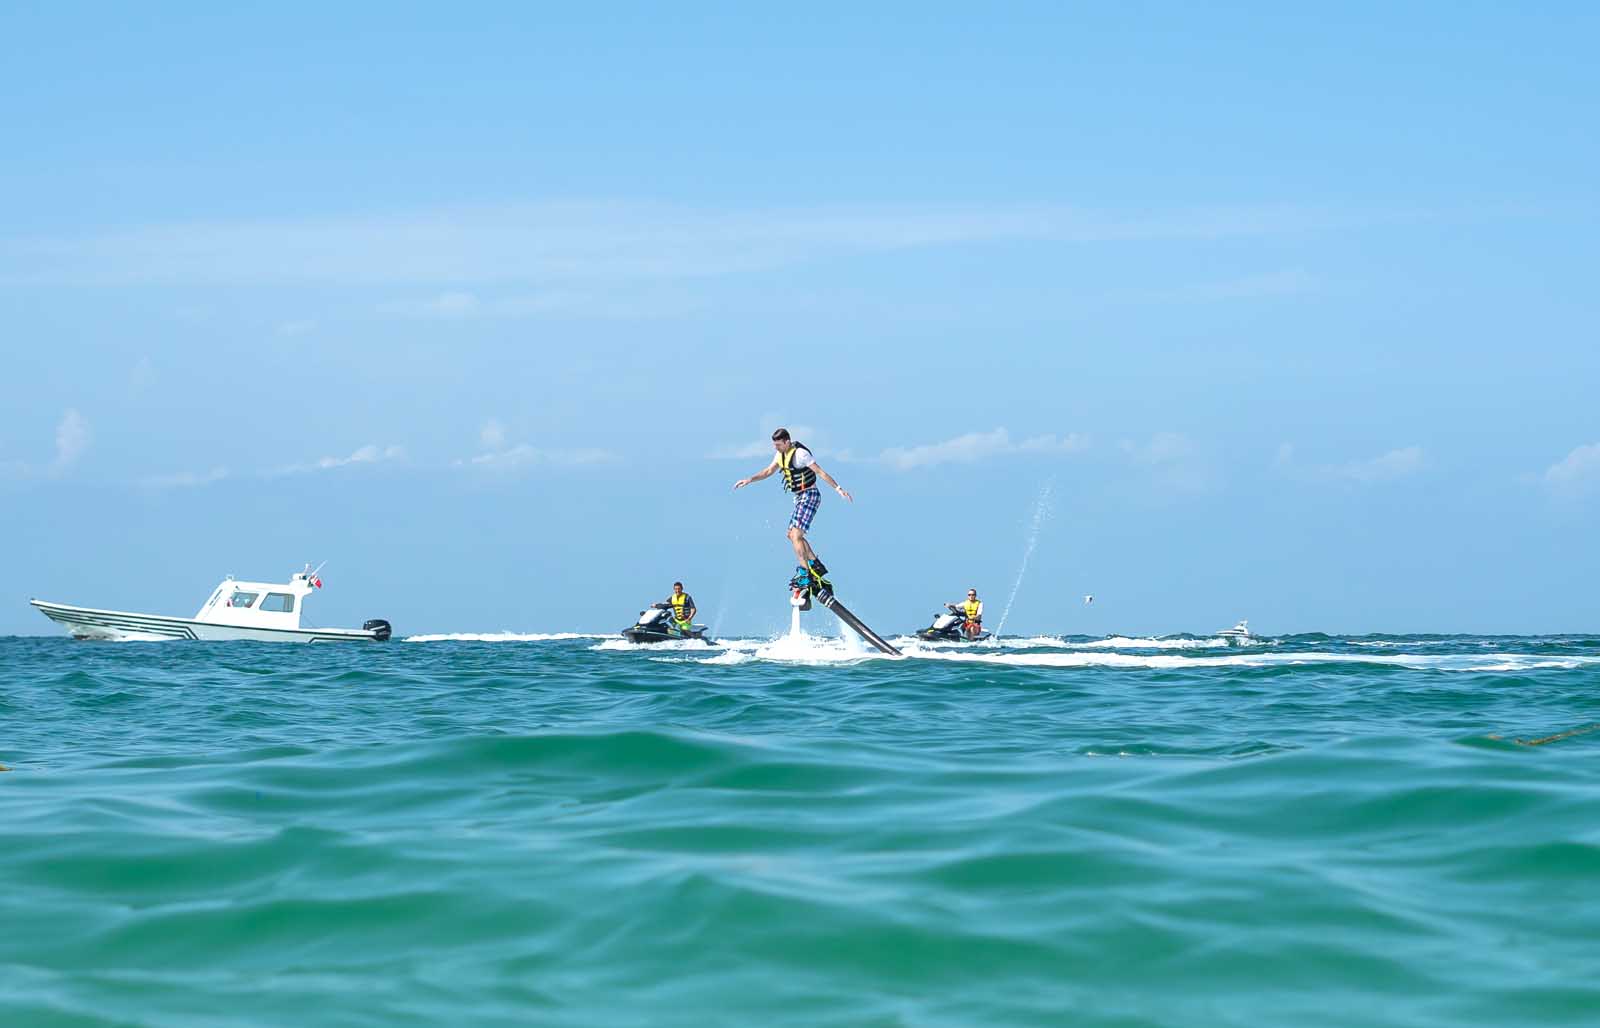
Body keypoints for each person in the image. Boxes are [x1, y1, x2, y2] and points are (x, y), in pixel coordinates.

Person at [733, 428, 851, 588]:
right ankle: (815, 564)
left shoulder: (801, 454)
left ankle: (805, 573)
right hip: (799, 498)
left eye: (779, 445)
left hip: (810, 495)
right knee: (792, 535)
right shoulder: (780, 455)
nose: (776, 448)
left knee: (796, 535)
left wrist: (839, 489)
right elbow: (768, 471)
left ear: (787, 441)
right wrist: (749, 479)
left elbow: (820, 472)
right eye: (775, 445)